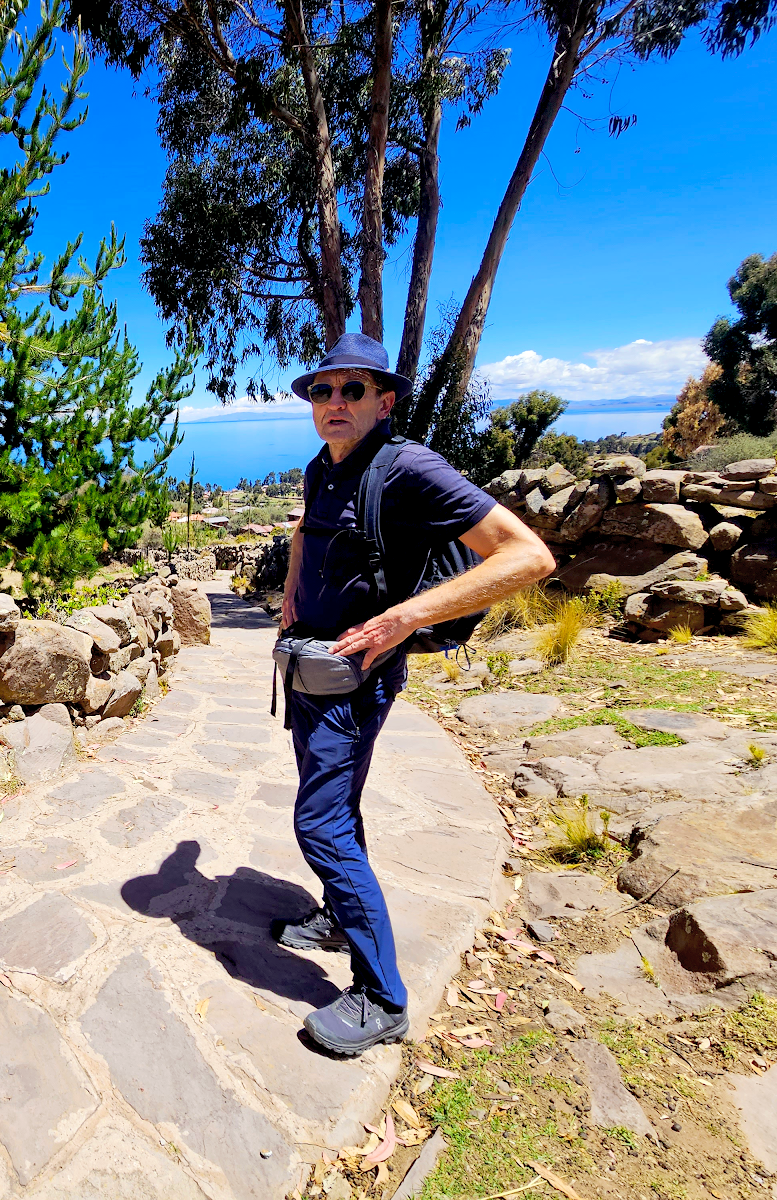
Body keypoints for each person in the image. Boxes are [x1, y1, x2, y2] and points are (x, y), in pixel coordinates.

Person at [272, 333, 555, 1055]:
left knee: (321, 826)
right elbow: (310, 529)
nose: (334, 402)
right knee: (335, 806)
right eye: (322, 391)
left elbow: (528, 554)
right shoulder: (323, 468)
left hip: (354, 683)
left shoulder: (407, 468)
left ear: (385, 400)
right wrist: (289, 597)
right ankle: (340, 916)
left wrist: (403, 618)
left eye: (352, 390)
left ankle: (381, 997)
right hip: (311, 671)